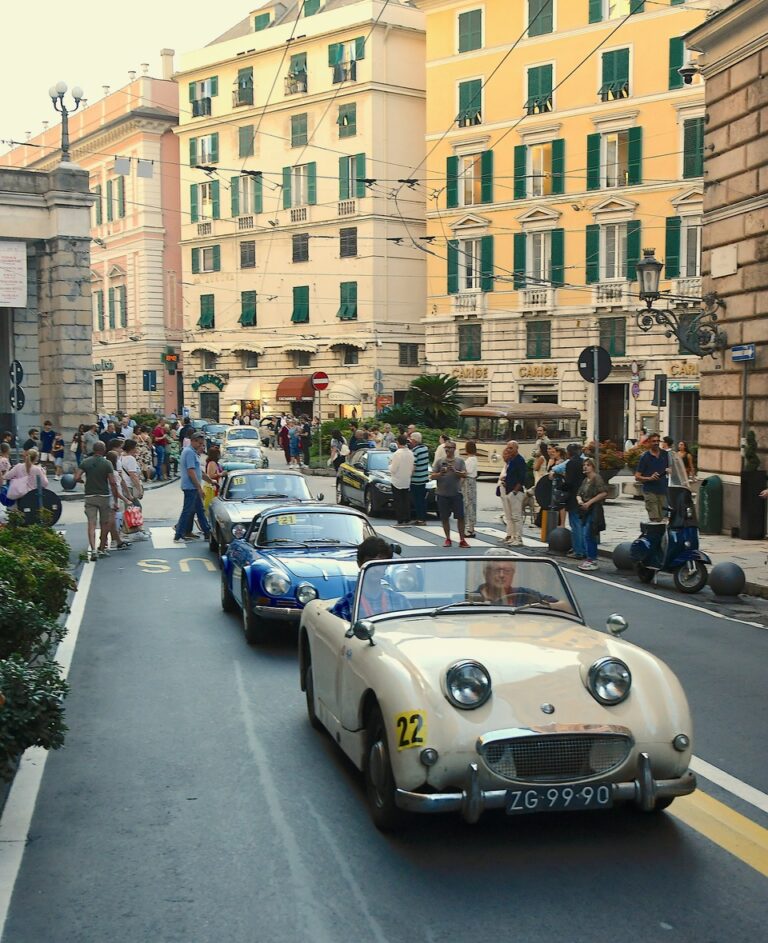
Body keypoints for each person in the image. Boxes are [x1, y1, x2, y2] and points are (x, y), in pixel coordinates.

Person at [329, 536, 405, 621]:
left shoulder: (399, 601)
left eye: (380, 563)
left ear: (387, 565)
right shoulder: (345, 606)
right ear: (359, 564)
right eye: (371, 563)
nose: (376, 568)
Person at [474, 554, 571, 612]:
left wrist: (542, 606)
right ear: (486, 573)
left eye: (507, 571)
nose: (502, 575)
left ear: (513, 574)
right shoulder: (472, 598)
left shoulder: (525, 594)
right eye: (497, 570)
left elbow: (566, 607)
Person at [75, 442, 120, 561]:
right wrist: (115, 500)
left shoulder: (86, 462)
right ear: (104, 450)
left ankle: (93, 550)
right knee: (104, 523)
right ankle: (101, 548)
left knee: (91, 523)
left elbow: (76, 477)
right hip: (104, 496)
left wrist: (82, 481)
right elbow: (113, 482)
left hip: (90, 496)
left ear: (93, 449)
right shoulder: (107, 463)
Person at [173, 432, 213, 544]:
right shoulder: (189, 452)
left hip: (192, 487)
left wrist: (210, 481)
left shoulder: (192, 452)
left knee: (200, 510)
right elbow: (191, 471)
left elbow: (198, 471)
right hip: (191, 487)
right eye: (199, 443)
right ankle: (178, 535)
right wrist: (199, 487)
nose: (201, 446)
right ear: (193, 441)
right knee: (187, 511)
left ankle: (207, 532)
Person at [431, 441, 469, 548]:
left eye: (450, 447)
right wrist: (440, 473)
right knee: (444, 517)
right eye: (446, 448)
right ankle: (448, 538)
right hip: (442, 493)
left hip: (456, 493)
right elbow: (432, 476)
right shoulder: (439, 461)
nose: (447, 449)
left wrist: (455, 471)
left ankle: (462, 539)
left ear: (454, 449)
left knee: (460, 517)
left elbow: (465, 474)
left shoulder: (460, 461)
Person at [574, 458, 609, 571]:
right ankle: (590, 558)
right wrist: (580, 500)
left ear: (593, 467)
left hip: (594, 509)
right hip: (585, 510)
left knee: (589, 534)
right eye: (584, 465)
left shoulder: (596, 478)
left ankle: (592, 559)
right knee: (586, 534)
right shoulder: (585, 480)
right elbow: (579, 493)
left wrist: (589, 502)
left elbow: (603, 493)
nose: (585, 467)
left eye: (588, 465)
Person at [498, 440, 527, 546]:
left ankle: (518, 538)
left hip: (516, 492)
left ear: (516, 448)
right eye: (508, 448)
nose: (508, 450)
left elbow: (522, 477)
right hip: (509, 490)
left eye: (511, 448)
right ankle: (513, 536)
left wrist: (515, 490)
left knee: (516, 516)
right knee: (510, 516)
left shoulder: (519, 460)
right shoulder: (512, 460)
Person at [635, 432, 669, 522]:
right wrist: (649, 478)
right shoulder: (645, 457)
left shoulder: (665, 455)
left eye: (658, 441)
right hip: (650, 491)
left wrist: (670, 471)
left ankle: (661, 535)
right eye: (654, 441)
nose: (656, 443)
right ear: (649, 442)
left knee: (663, 517)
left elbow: (671, 468)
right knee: (654, 518)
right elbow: (637, 476)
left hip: (663, 490)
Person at [104, 449, 131, 551]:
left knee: (111, 522)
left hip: (106, 499)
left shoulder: (106, 473)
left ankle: (116, 541)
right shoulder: (114, 474)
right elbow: (116, 490)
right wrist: (126, 499)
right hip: (112, 500)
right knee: (112, 522)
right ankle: (106, 539)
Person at [390, 435, 415, 526]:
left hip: (397, 479)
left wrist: (389, 464)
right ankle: (407, 518)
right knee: (405, 500)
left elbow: (393, 469)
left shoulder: (397, 453)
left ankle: (400, 519)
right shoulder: (410, 453)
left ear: (398, 443)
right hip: (406, 479)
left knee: (398, 500)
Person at [409, 431, 430, 525]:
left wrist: (409, 476)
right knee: (422, 499)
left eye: (411, 440)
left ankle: (420, 519)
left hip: (416, 479)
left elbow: (413, 466)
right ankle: (422, 518)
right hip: (423, 478)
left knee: (417, 500)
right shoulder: (425, 448)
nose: (410, 442)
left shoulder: (415, 451)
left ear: (414, 440)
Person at [461, 440, 479, 538]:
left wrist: (459, 484)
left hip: (468, 482)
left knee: (468, 505)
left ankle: (469, 529)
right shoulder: (474, 459)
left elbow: (465, 473)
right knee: (471, 504)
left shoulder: (470, 460)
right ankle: (471, 527)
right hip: (472, 482)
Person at [203, 445, 223, 511]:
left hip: (215, 487)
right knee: (211, 505)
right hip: (212, 487)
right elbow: (210, 475)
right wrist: (221, 474)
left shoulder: (216, 463)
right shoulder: (212, 463)